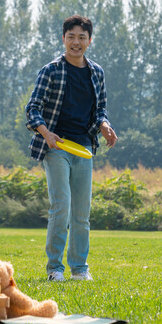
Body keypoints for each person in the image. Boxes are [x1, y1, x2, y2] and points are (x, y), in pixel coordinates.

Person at [25, 15, 118, 282]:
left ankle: (80, 268)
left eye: (82, 37)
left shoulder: (96, 72)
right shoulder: (51, 70)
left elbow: (100, 109)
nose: (76, 42)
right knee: (61, 207)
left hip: (84, 148)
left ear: (89, 40)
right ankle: (55, 268)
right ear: (63, 38)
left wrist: (104, 124)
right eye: (71, 37)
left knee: (81, 212)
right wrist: (46, 133)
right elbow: (32, 109)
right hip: (56, 146)